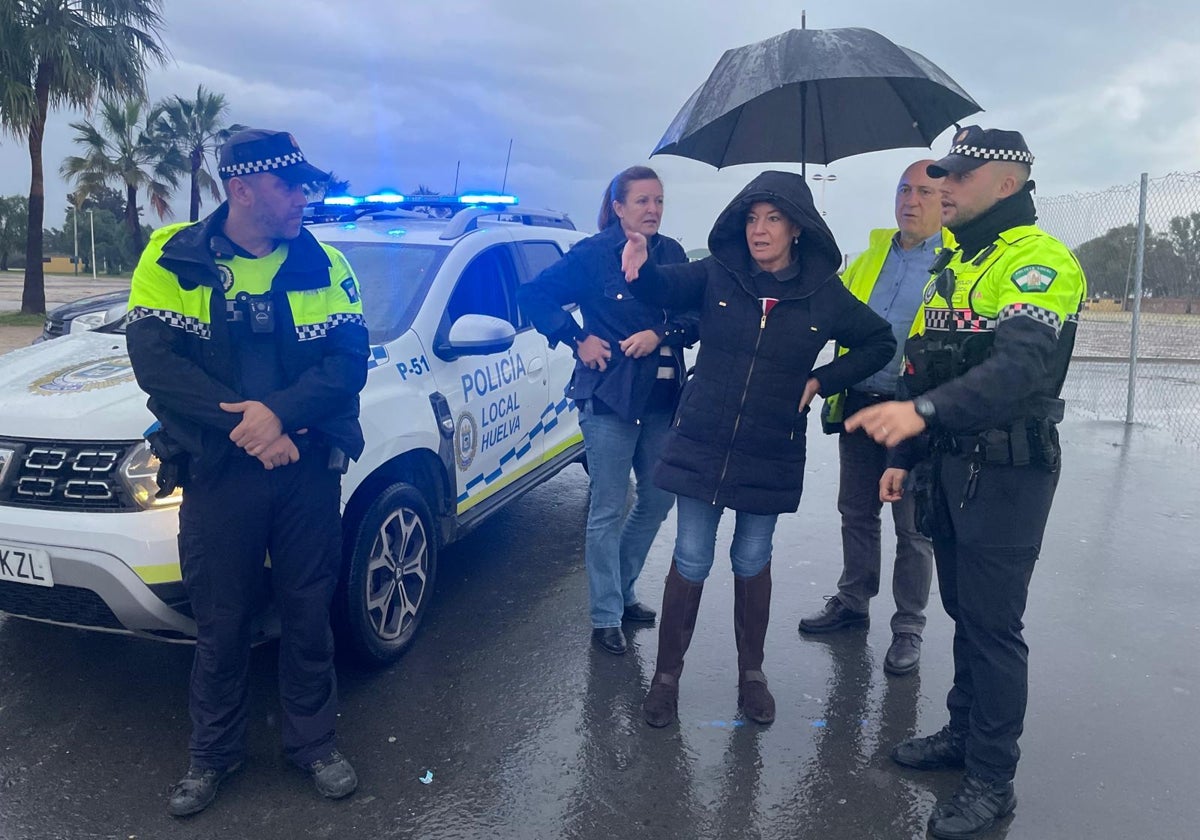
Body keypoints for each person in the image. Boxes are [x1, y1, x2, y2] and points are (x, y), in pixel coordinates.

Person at [845, 126, 1087, 839]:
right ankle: (961, 735)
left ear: (1006, 184)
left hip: (1011, 470)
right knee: (963, 613)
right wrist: (905, 458)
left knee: (993, 627)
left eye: (958, 176)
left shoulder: (1039, 260)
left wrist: (917, 411)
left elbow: (1021, 369)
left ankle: (991, 781)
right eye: (938, 176)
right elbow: (927, 363)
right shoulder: (955, 262)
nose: (943, 188)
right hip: (949, 467)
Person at [126, 128, 369, 816]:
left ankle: (313, 746)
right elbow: (159, 367)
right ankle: (212, 757)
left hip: (304, 468)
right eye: (291, 186)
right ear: (242, 190)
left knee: (307, 609)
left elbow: (348, 367)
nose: (304, 198)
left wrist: (279, 420)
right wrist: (249, 426)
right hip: (218, 471)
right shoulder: (170, 257)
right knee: (222, 621)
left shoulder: (327, 263)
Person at [620, 170, 895, 727]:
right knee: (692, 556)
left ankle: (752, 675)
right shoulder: (718, 274)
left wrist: (822, 380)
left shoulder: (822, 293)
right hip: (702, 439)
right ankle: (666, 678)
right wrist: (641, 267)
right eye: (751, 218)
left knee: (751, 556)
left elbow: (880, 340)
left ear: (797, 228)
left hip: (771, 446)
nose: (759, 230)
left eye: (772, 219)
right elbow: (663, 287)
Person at [517, 166, 698, 656]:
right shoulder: (592, 256)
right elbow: (533, 296)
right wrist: (577, 339)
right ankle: (605, 616)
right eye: (642, 201)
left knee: (659, 499)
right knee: (607, 508)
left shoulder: (673, 255)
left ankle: (619, 587)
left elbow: (694, 315)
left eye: (659, 201)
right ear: (618, 207)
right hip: (610, 398)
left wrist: (661, 334)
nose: (653, 210)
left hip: (663, 402)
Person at [799, 160, 950, 676]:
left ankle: (908, 627)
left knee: (912, 528)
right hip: (861, 402)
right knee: (856, 511)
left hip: (914, 412)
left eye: (924, 192)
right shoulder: (869, 257)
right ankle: (853, 601)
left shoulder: (954, 261)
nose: (911, 200)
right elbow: (833, 313)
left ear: (944, 201)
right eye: (904, 190)